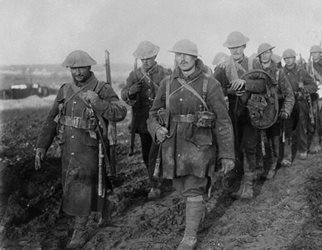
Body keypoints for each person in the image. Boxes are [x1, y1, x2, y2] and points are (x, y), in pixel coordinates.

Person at [147, 39, 235, 250]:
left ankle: (190, 237)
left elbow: (223, 120)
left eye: (187, 55)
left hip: (200, 144)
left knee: (194, 188)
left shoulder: (209, 83)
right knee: (182, 188)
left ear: (196, 58)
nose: (182, 59)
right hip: (173, 146)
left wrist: (227, 154)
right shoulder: (167, 84)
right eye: (178, 55)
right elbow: (151, 115)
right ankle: (198, 213)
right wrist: (157, 129)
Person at [34, 50, 127, 248]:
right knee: (76, 184)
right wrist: (42, 146)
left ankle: (81, 230)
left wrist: (98, 102)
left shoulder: (101, 88)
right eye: (73, 68)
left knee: (82, 186)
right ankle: (106, 207)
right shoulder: (65, 90)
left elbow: (120, 111)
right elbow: (51, 119)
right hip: (69, 148)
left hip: (92, 148)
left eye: (81, 68)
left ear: (89, 67)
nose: (77, 72)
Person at [213, 31, 263, 199]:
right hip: (231, 115)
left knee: (249, 147)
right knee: (234, 148)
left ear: (244, 46)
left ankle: (248, 186)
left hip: (251, 112)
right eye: (232, 47)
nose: (235, 51)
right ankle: (237, 181)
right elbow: (214, 90)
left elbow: (264, 84)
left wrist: (245, 83)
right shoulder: (222, 68)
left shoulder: (253, 63)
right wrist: (229, 90)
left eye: (238, 47)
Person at [121, 41, 170, 199]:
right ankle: (155, 180)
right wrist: (131, 91)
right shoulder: (134, 75)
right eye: (143, 59)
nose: (146, 61)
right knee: (146, 153)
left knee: (157, 153)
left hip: (159, 120)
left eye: (149, 58)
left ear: (155, 56)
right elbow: (124, 94)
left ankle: (155, 185)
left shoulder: (164, 73)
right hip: (142, 121)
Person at [252, 43, 294, 179]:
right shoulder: (254, 73)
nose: (265, 56)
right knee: (259, 142)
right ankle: (261, 166)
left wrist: (285, 110)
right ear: (259, 56)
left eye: (267, 52)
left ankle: (272, 166)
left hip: (274, 113)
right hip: (258, 113)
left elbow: (289, 94)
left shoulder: (278, 73)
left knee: (274, 140)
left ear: (271, 54)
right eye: (262, 54)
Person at [281, 49, 317, 160]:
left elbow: (313, 86)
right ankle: (288, 155)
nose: (288, 60)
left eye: (290, 58)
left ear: (294, 58)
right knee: (287, 127)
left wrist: (304, 89)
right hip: (287, 104)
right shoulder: (281, 73)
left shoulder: (301, 71)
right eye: (286, 58)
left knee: (302, 124)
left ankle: (303, 149)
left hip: (300, 102)